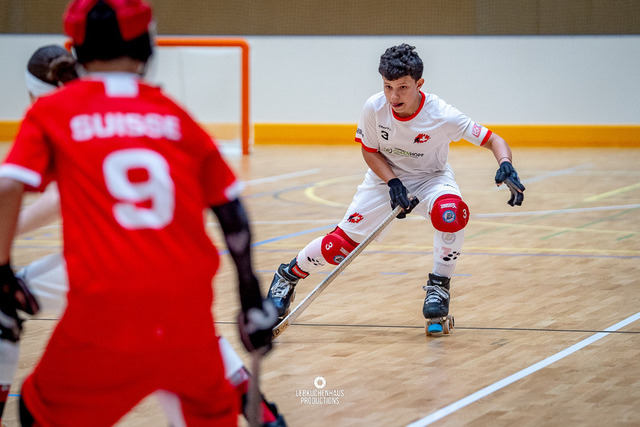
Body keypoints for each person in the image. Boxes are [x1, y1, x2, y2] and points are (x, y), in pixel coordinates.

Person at [0, 0, 280, 425]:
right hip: (184, 306)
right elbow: (233, 214)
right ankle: (262, 412)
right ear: (148, 47)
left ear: (77, 50)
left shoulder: (55, 111)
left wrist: (3, 268)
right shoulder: (175, 116)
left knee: (38, 410)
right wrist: (250, 299)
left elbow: (9, 185)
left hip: (104, 308)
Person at [267, 44, 525, 329]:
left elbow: (494, 139)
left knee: (451, 214)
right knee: (337, 248)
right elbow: (369, 151)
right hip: (384, 180)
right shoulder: (374, 108)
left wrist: (505, 163)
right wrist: (393, 182)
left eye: (402, 87)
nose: (393, 96)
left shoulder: (442, 114)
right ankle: (288, 276)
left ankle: (439, 287)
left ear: (419, 84)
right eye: (388, 87)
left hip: (432, 179)